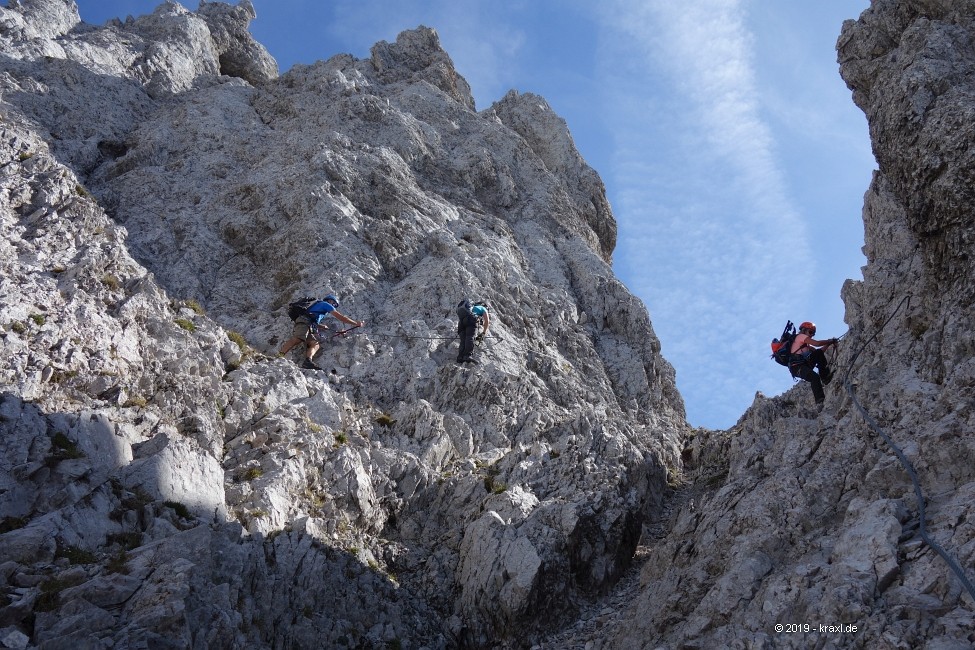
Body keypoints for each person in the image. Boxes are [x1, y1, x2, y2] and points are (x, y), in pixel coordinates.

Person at [279, 294, 364, 370]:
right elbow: (342, 318)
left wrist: (321, 326)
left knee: (314, 344)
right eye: (334, 304)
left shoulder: (319, 308)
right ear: (330, 301)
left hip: (310, 324)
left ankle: (308, 361)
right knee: (298, 339)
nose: (334, 306)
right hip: (305, 321)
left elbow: (312, 318)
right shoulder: (325, 304)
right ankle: (280, 356)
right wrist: (356, 323)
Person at [789, 321, 838, 405]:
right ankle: (819, 401)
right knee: (814, 377)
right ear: (804, 330)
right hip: (796, 367)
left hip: (803, 364)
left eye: (813, 334)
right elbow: (817, 343)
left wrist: (829, 343)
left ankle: (825, 377)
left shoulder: (806, 346)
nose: (811, 335)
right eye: (810, 332)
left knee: (818, 353)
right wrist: (829, 340)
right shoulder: (800, 336)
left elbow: (819, 351)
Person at [456, 299, 489, 364]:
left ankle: (460, 357)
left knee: (463, 340)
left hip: (461, 322)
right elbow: (487, 321)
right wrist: (484, 332)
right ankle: (467, 355)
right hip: (471, 319)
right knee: (470, 336)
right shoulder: (482, 308)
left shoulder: (471, 308)